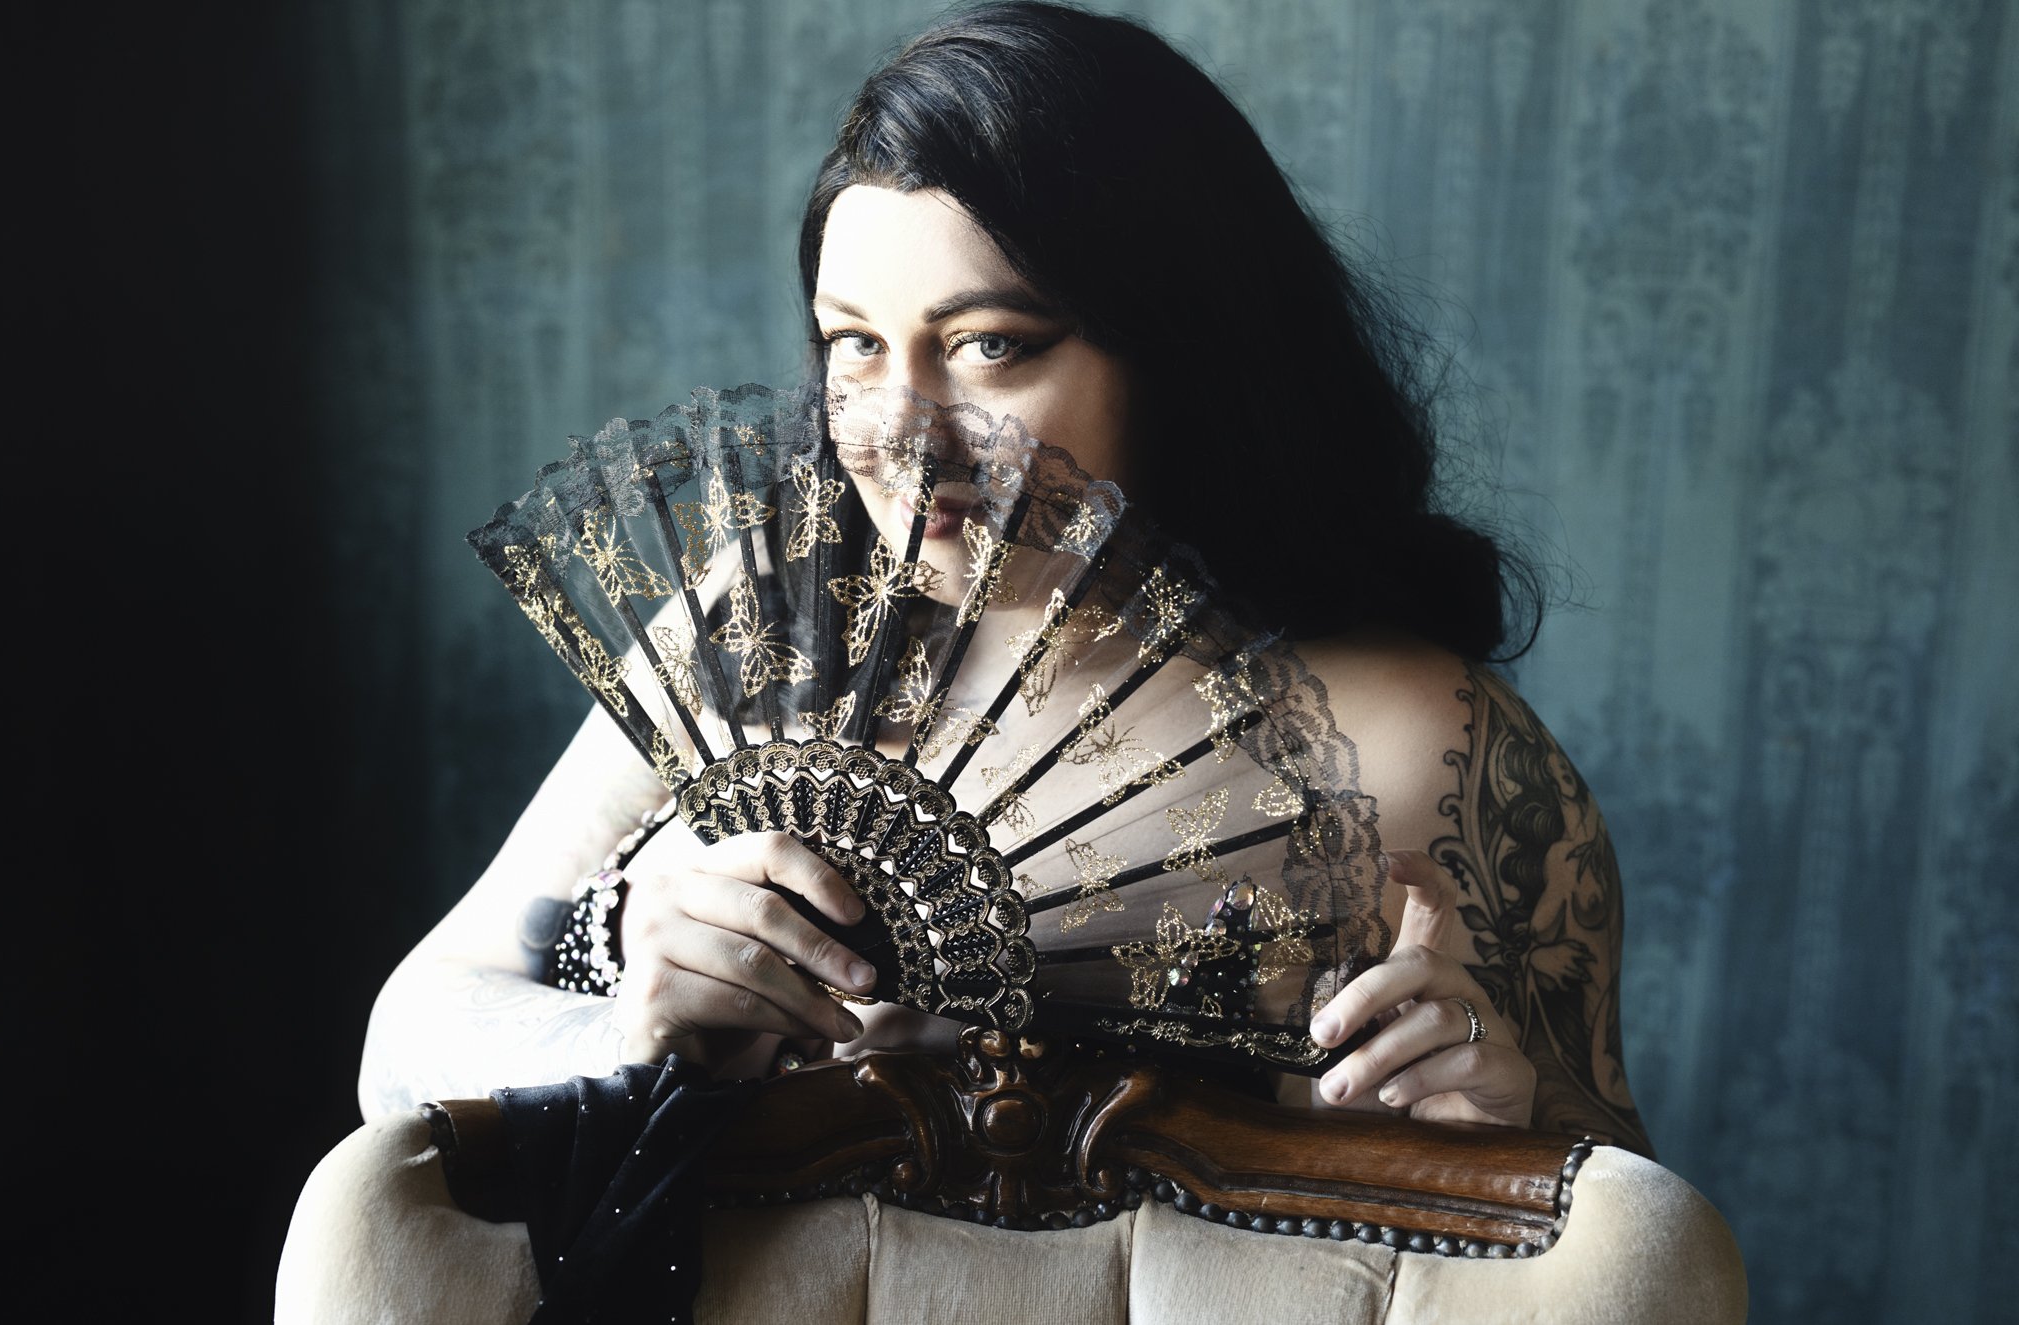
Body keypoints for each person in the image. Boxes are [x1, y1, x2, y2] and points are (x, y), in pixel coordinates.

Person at [359, 1, 1652, 1158]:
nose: (900, 432)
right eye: (854, 345)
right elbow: (407, 1038)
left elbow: (1624, 1245)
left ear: (1182, 348)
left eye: (989, 346)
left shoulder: (1408, 739)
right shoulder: (768, 618)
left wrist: (1479, 1146)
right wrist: (626, 1034)